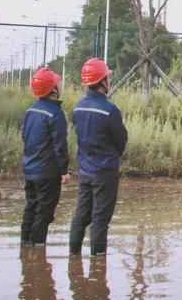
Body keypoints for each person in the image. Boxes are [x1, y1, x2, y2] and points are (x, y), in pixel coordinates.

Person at [68, 58, 128, 257]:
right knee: (100, 219)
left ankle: (73, 257)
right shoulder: (110, 111)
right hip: (105, 172)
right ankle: (98, 264)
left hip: (85, 170)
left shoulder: (77, 108)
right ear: (103, 81)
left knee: (81, 215)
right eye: (107, 77)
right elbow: (121, 140)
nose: (109, 80)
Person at [21, 66, 70, 246]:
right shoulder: (56, 114)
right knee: (44, 212)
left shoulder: (30, 111)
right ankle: (37, 252)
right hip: (47, 172)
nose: (60, 85)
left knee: (31, 207)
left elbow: (24, 137)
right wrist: (64, 171)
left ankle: (25, 247)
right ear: (53, 89)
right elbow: (60, 145)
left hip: (30, 169)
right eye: (58, 83)